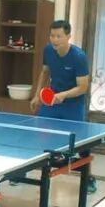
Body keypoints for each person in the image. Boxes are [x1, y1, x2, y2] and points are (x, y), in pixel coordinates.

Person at [29, 19, 95, 192]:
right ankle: (24, 172)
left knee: (80, 143)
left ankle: (88, 177)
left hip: (73, 104)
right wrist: (37, 95)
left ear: (68, 36)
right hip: (52, 101)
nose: (55, 39)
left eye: (59, 36)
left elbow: (83, 87)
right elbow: (45, 72)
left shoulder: (79, 57)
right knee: (39, 132)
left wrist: (63, 95)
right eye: (52, 35)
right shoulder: (48, 50)